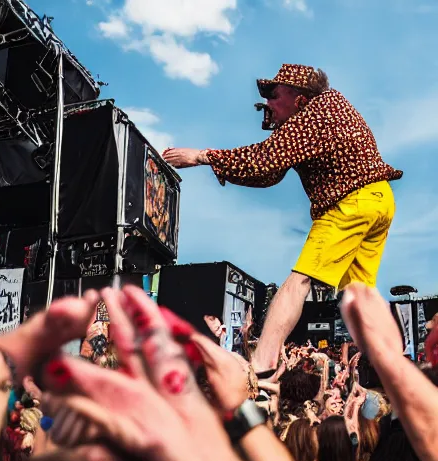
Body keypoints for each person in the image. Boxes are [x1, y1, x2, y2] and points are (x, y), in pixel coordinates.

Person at [163, 64, 402, 376]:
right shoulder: (334, 106)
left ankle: (259, 369)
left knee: (298, 281)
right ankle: (395, 370)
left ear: (298, 97)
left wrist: (201, 156)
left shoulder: (312, 116)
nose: (268, 104)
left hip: (350, 203)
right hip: (379, 199)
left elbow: (263, 162)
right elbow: (271, 173)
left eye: (275, 96)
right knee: (361, 295)